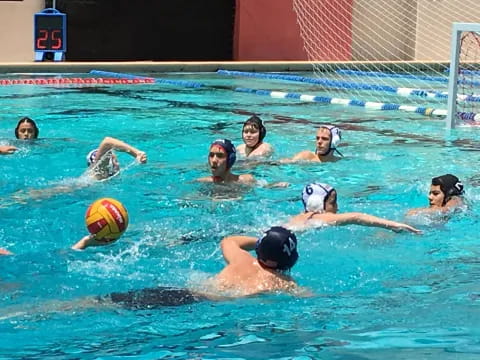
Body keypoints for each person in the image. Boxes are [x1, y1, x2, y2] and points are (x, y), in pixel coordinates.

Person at [285, 182, 421, 233]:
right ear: (317, 204)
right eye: (333, 203)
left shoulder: (298, 218)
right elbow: (357, 217)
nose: (337, 207)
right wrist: (394, 225)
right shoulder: (321, 217)